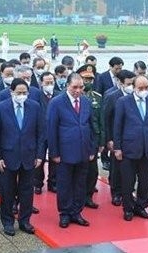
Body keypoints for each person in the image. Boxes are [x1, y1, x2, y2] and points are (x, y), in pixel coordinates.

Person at [0, 78, 45, 236]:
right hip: (7, 157)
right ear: (11, 92)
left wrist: (39, 155)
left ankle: (25, 221)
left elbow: (41, 133)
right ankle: (8, 222)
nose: (22, 95)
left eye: (24, 93)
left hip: (29, 156)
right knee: (7, 192)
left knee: (27, 191)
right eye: (18, 93)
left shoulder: (34, 107)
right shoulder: (1, 107)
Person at [47, 73, 96, 229]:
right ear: (67, 86)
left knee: (80, 184)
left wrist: (92, 149)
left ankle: (77, 212)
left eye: (81, 87)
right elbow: (51, 129)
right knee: (65, 184)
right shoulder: (56, 103)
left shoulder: (86, 102)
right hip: (64, 153)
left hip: (83, 151)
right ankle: (65, 213)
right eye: (75, 87)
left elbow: (91, 126)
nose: (78, 90)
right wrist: (54, 153)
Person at [113, 75, 148, 221]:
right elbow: (117, 126)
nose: (144, 90)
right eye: (140, 88)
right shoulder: (123, 102)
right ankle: (128, 208)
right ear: (134, 88)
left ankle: (141, 206)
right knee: (128, 181)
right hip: (129, 148)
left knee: (145, 181)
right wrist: (117, 147)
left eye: (146, 88)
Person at [103, 69, 136, 206]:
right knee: (116, 167)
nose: (131, 87)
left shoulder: (135, 96)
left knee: (132, 167)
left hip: (132, 138)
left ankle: (128, 191)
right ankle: (116, 193)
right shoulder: (112, 96)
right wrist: (109, 139)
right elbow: (106, 119)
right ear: (120, 83)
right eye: (128, 84)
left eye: (132, 84)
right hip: (117, 138)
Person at [77, 64, 105, 209]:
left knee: (92, 171)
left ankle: (88, 196)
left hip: (92, 140)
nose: (88, 82)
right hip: (77, 140)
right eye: (85, 78)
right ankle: (77, 197)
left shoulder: (97, 97)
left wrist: (101, 141)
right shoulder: (71, 96)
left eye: (90, 79)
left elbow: (101, 121)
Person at [34, 71, 59, 193]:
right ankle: (37, 183)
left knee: (55, 158)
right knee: (39, 158)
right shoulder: (35, 96)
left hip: (55, 133)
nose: (49, 84)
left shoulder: (59, 95)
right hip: (40, 133)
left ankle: (53, 182)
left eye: (51, 82)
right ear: (41, 83)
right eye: (47, 82)